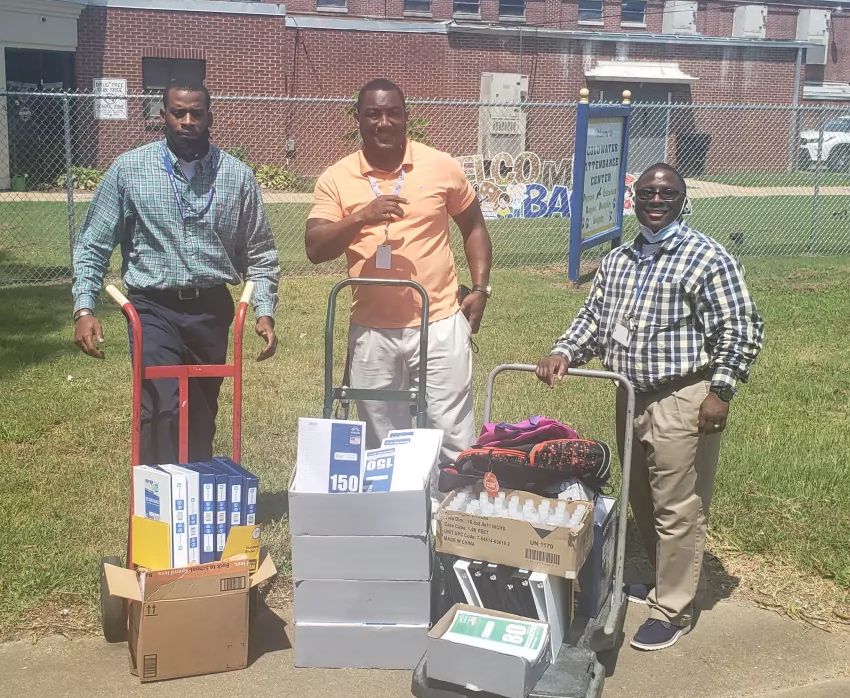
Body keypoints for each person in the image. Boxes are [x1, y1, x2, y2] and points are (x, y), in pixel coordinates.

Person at [536, 163, 763, 652]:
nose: (657, 200)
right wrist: (563, 352)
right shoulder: (619, 259)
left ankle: (674, 607)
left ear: (683, 200)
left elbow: (741, 327)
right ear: (634, 199)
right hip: (630, 392)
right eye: (648, 193)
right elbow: (594, 317)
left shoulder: (707, 258)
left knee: (678, 505)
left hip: (682, 396)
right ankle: (662, 575)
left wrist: (721, 391)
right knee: (641, 494)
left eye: (668, 193)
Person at [72, 77, 280, 464]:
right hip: (153, 309)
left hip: (210, 309)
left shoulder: (237, 176)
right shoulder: (129, 170)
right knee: (162, 409)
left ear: (209, 117)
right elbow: (93, 244)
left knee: (200, 415)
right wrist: (84, 308)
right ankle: (157, 494)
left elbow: (260, 251)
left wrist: (264, 310)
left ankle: (194, 490)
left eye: (196, 113)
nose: (187, 121)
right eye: (178, 112)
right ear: (163, 115)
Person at [305, 78, 492, 462]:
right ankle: (395, 502)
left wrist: (480, 288)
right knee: (383, 440)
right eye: (373, 114)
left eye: (393, 113)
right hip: (372, 331)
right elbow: (315, 248)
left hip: (438, 322)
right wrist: (362, 217)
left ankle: (451, 502)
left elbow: (474, 226)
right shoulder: (336, 177)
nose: (384, 123)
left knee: (451, 434)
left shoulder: (441, 166)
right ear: (358, 118)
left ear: (406, 116)